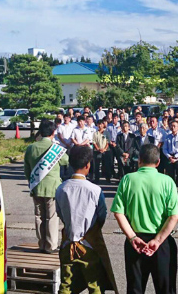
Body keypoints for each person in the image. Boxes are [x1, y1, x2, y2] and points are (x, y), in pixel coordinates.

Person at [111, 144, 178, 294]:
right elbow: (174, 216)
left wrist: (132, 237)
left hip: (135, 240)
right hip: (161, 241)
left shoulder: (127, 180)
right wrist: (157, 241)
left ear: (139, 160)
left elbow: (118, 213)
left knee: (135, 288)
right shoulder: (167, 181)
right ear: (158, 162)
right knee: (166, 287)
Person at [55, 146, 118, 294]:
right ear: (88, 165)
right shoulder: (95, 190)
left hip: (67, 243)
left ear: (70, 164)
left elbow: (60, 213)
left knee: (66, 284)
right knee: (94, 284)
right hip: (89, 244)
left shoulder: (61, 188)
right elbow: (102, 215)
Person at [24, 120, 69, 253]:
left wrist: (31, 181)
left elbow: (27, 169)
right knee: (51, 217)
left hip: (36, 186)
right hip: (52, 188)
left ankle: (41, 244)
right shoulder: (55, 148)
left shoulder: (31, 148)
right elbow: (65, 160)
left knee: (39, 216)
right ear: (53, 132)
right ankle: (51, 246)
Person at [163, 119, 178, 201]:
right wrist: (169, 156)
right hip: (170, 157)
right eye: (171, 126)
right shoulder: (168, 137)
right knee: (170, 177)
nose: (173, 128)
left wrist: (175, 157)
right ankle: (171, 195)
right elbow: (164, 149)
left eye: (175, 126)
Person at [93, 119, 112, 184]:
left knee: (107, 165)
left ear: (103, 125)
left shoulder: (106, 132)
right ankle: (96, 179)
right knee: (97, 166)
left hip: (106, 151)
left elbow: (108, 142)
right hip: (97, 151)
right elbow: (94, 142)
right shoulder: (95, 133)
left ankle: (108, 178)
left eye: (101, 124)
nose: (100, 125)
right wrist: (98, 149)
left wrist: (104, 149)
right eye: (99, 124)